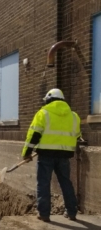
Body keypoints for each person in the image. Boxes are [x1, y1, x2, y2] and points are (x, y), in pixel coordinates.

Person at [22, 88, 81, 222]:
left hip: (46, 155)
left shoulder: (43, 113)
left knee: (43, 183)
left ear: (49, 99)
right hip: (64, 156)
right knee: (66, 182)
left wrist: (27, 153)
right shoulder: (74, 116)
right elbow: (77, 135)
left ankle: (44, 214)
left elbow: (34, 135)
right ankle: (72, 212)